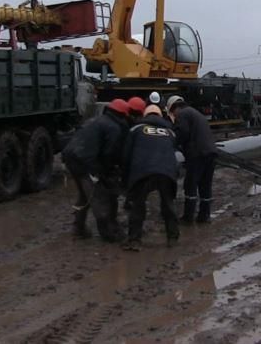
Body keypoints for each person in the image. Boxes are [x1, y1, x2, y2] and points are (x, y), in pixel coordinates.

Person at [60, 98, 130, 241]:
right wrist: (106, 173)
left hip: (70, 157)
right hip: (85, 162)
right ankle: (109, 234)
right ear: (123, 115)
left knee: (84, 195)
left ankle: (78, 228)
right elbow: (109, 154)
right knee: (98, 196)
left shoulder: (95, 120)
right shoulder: (114, 128)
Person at [121, 105, 181, 251]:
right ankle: (172, 239)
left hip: (142, 171)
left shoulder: (135, 129)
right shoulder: (170, 132)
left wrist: (126, 179)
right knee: (168, 205)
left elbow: (126, 155)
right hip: (166, 171)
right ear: (161, 116)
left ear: (145, 115)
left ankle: (134, 240)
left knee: (138, 206)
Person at [167, 95, 219, 223]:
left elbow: (182, 133)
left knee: (190, 184)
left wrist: (171, 144)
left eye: (172, 112)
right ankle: (204, 216)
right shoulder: (196, 113)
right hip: (210, 153)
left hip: (197, 154)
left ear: (174, 108)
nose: (173, 115)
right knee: (205, 186)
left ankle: (188, 217)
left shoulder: (182, 114)